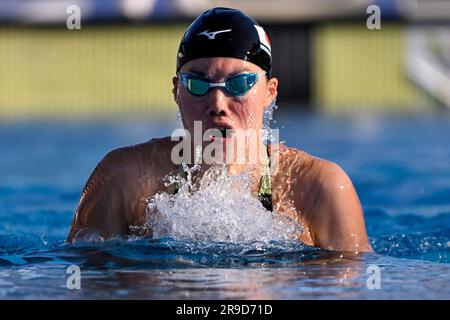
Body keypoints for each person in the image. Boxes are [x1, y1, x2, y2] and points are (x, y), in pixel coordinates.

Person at [67, 7, 372, 252]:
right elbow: (85, 280)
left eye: (239, 83)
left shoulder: (319, 189)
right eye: (197, 84)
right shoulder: (123, 178)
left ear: (270, 92)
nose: (217, 103)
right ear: (177, 91)